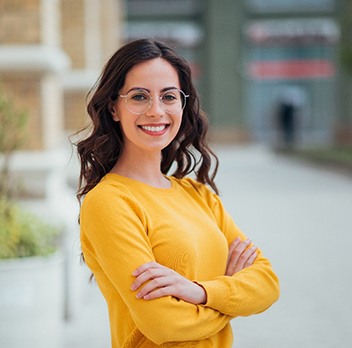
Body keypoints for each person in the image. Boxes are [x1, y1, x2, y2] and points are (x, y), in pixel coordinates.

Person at [76, 38, 279, 348]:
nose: (156, 111)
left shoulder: (199, 194)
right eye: (139, 96)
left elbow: (267, 283)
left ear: (182, 105)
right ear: (114, 108)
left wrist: (199, 292)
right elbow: (164, 324)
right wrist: (231, 297)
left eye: (168, 96)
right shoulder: (109, 202)